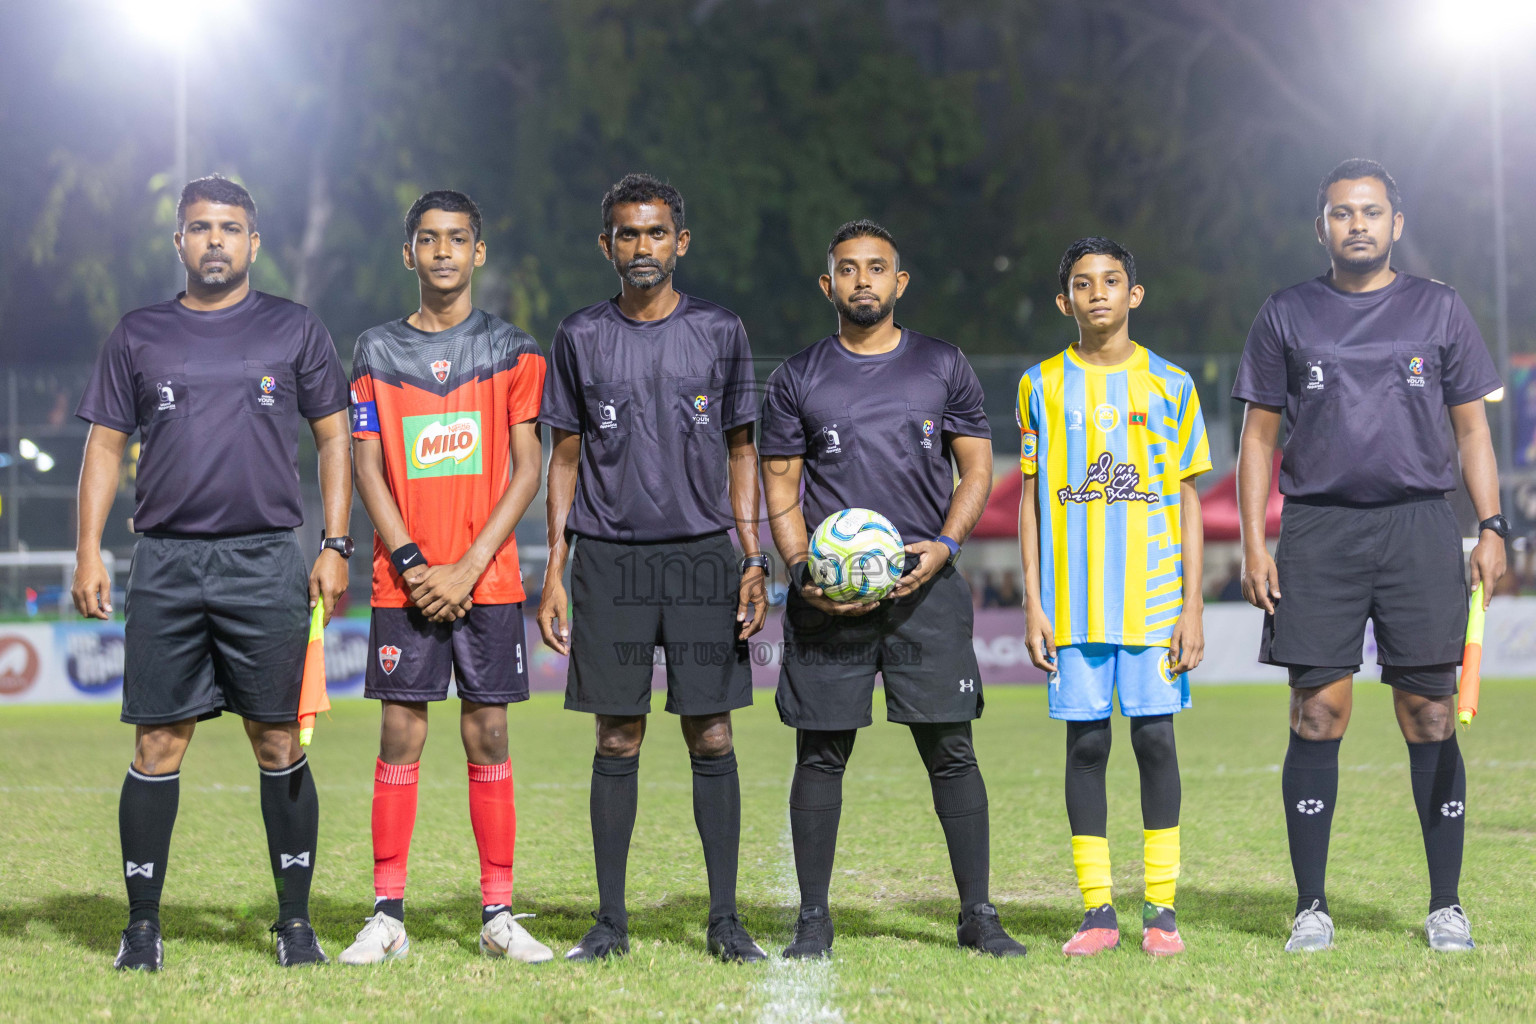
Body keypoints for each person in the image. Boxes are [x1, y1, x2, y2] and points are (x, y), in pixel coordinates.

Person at [71, 175, 351, 970]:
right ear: (180, 242)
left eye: (230, 227)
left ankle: (295, 926)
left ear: (254, 243)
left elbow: (336, 438)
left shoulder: (294, 329)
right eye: (200, 227)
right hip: (166, 562)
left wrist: (337, 543)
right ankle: (143, 926)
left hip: (265, 561)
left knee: (277, 742)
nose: (216, 240)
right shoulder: (139, 334)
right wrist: (88, 548)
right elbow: (103, 446)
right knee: (158, 743)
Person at [1232, 159, 1505, 953]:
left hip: (1420, 526)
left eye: (1371, 212)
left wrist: (1492, 526)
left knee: (1427, 713)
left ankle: (1445, 905)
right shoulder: (1286, 313)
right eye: (1342, 213)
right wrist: (1255, 542)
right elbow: (1256, 438)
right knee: (1318, 712)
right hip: (1318, 530)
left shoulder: (1439, 308)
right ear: (1321, 227)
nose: (1357, 224)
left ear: (1397, 223)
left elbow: (1472, 431)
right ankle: (1311, 906)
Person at [760, 219, 1027, 960]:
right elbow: (779, 484)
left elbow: (977, 468)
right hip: (828, 599)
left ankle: (977, 913)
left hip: (926, 590)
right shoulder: (798, 377)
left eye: (877, 268)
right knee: (820, 752)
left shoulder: (943, 366)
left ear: (899, 282)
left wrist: (944, 547)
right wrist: (802, 571)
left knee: (952, 750)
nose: (863, 281)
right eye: (848, 269)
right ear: (829, 284)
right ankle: (813, 918)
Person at [537, 174, 770, 963]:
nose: (643, 248)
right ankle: (609, 922)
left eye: (657, 233)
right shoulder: (579, 335)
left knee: (711, 731)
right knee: (618, 737)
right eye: (628, 235)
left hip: (705, 557)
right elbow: (562, 457)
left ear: (682, 242)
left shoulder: (721, 330)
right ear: (607, 245)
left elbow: (744, 450)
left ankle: (725, 921)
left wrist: (750, 557)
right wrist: (555, 567)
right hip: (608, 558)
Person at [337, 190, 551, 965]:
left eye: (457, 239)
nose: (442, 253)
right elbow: (366, 467)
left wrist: (465, 565)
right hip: (408, 582)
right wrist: (417, 562)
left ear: (478, 252)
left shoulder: (515, 351)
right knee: (401, 732)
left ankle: (498, 913)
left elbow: (528, 467)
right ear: (409, 255)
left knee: (488, 729)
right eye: (428, 240)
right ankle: (387, 913)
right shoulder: (374, 351)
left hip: (486, 577)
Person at [1018, 237, 1210, 957]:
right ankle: (1098, 911)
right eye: (1082, 283)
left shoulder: (1172, 384)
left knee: (1156, 741)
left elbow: (1189, 500)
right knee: (1087, 743)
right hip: (1072, 606)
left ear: (1135, 294)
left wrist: (1191, 605)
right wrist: (1035, 602)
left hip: (1155, 602)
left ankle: (1160, 910)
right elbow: (1034, 502)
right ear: (1064, 300)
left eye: (1112, 280)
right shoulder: (1040, 385)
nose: (1098, 292)